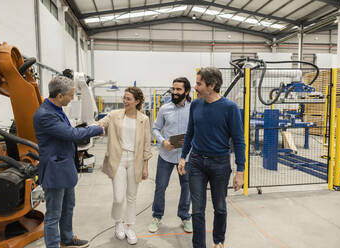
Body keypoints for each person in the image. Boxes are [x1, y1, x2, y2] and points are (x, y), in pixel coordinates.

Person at [178, 67, 245, 248]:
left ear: (212, 85)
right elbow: (190, 133)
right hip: (197, 163)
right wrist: (183, 157)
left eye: (199, 83)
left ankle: (218, 241)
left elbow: (239, 141)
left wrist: (240, 171)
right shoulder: (196, 105)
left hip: (220, 164)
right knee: (197, 210)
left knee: (220, 207)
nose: (196, 87)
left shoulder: (230, 108)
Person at [33, 76, 104, 248]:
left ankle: (66, 238)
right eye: (70, 95)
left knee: (68, 207)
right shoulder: (45, 115)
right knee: (53, 214)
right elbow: (71, 135)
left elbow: (68, 132)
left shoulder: (56, 109)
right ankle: (53, 245)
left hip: (65, 167)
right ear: (59, 96)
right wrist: (95, 129)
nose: (72, 98)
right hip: (54, 170)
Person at [97, 86, 152, 245]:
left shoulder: (144, 119)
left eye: (128, 98)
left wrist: (145, 166)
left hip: (136, 160)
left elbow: (147, 144)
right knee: (119, 197)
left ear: (137, 101)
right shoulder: (115, 115)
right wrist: (98, 127)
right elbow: (101, 122)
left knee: (132, 196)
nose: (124, 101)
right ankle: (118, 222)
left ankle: (129, 227)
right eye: (124, 97)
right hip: (118, 159)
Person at [148, 77, 192, 233]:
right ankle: (157, 216)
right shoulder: (164, 109)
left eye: (178, 89)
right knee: (160, 187)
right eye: (173, 89)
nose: (174, 92)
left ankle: (185, 216)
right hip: (166, 155)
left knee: (186, 188)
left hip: (186, 157)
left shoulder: (193, 108)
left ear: (186, 91)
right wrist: (162, 141)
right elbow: (154, 128)